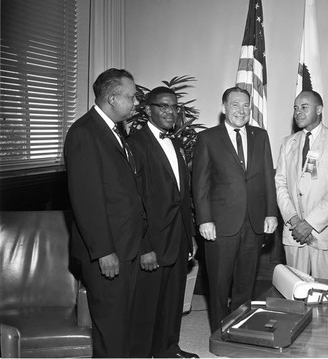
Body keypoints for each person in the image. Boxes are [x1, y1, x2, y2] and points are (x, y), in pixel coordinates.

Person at [64, 68, 146, 357]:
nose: (136, 103)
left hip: (126, 245)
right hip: (109, 250)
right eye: (132, 97)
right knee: (110, 329)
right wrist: (103, 251)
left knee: (123, 323)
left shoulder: (113, 131)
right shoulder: (85, 132)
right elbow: (86, 199)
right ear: (112, 98)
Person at [192, 86, 278, 332]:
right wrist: (204, 220)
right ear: (224, 108)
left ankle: (240, 329)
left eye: (246, 106)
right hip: (220, 225)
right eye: (235, 105)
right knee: (219, 284)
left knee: (245, 283)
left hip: (253, 223)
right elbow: (200, 185)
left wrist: (271, 212)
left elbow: (266, 180)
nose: (241, 110)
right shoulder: (208, 138)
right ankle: (220, 333)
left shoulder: (260, 136)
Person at [128, 87, 199, 358]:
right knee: (147, 305)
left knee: (172, 301)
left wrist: (189, 235)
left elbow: (184, 196)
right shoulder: (136, 143)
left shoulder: (177, 144)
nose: (171, 112)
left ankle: (168, 349)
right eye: (163, 106)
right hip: (152, 242)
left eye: (174, 107)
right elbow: (134, 202)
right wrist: (144, 246)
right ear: (148, 109)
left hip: (177, 237)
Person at [275, 90, 328, 279]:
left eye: (304, 107)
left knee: (325, 292)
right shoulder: (288, 143)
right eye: (295, 108)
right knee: (295, 289)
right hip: (294, 233)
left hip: (324, 234)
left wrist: (309, 224)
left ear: (319, 109)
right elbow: (280, 184)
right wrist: (294, 220)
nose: (298, 112)